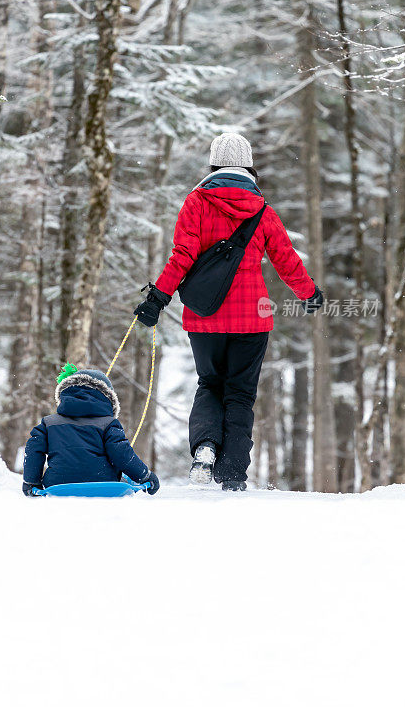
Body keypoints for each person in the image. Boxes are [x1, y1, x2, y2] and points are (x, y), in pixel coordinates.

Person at [134, 132, 323, 491]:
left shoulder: (197, 203)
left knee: (210, 384)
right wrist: (309, 293)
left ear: (214, 165)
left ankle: (205, 446)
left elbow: (182, 256)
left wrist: (158, 298)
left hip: (205, 317)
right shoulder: (263, 211)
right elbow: (285, 259)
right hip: (252, 318)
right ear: (249, 166)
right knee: (240, 394)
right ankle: (233, 472)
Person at [22, 364, 160, 496]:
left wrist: (31, 481)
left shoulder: (49, 423)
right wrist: (144, 476)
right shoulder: (109, 423)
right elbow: (121, 453)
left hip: (58, 483)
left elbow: (34, 448)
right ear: (107, 398)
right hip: (103, 482)